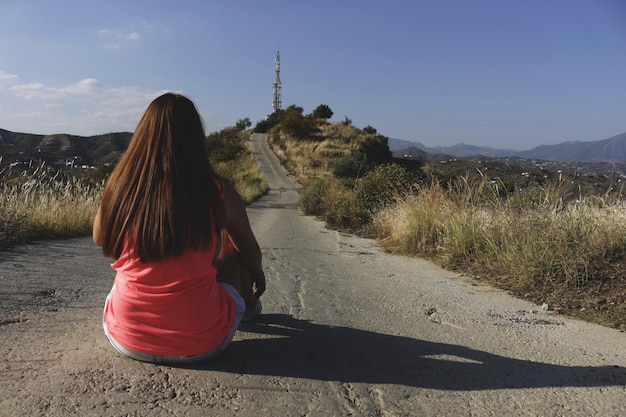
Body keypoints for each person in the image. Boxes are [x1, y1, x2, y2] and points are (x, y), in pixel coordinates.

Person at [93, 92, 265, 364]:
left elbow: (100, 238)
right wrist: (257, 273)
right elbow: (250, 251)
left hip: (126, 340)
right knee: (231, 245)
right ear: (195, 138)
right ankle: (249, 308)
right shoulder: (218, 193)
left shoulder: (120, 186)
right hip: (202, 344)